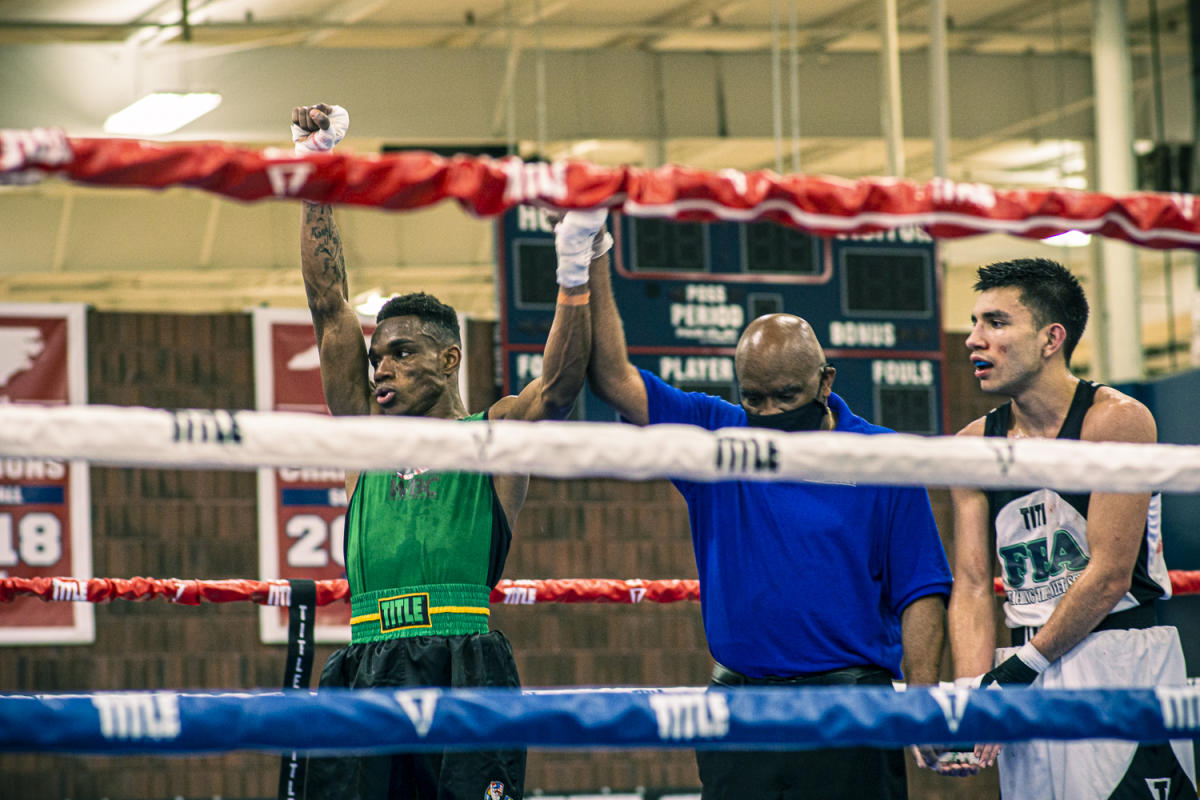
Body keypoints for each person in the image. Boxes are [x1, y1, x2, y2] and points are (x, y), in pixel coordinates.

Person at [291, 103, 608, 800]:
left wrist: (574, 265)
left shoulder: (493, 436)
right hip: (366, 665)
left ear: (449, 360)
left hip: (465, 664)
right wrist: (316, 166)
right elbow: (328, 305)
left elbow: (557, 388)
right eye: (378, 357)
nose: (381, 368)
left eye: (402, 353)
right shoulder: (364, 438)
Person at [584, 230, 953, 799]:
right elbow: (612, 378)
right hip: (740, 713)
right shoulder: (715, 432)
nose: (770, 411)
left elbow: (921, 590)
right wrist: (591, 251)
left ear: (825, 382)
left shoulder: (883, 456)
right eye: (754, 397)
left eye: (786, 396)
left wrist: (923, 703)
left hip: (850, 710)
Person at [940, 257, 1196, 797]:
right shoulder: (971, 446)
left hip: (1116, 658)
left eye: (996, 322)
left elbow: (1109, 576)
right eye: (975, 322)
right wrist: (973, 694)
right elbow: (972, 584)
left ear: (1051, 339)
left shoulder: (1116, 421)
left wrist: (1015, 674)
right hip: (1021, 667)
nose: (974, 339)